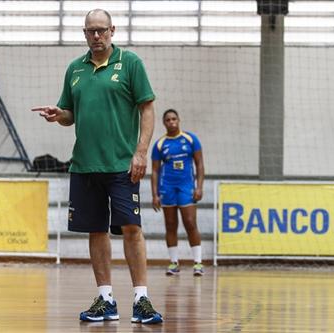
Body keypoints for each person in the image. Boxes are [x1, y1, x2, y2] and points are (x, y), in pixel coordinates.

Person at [31, 9, 163, 324]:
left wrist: (141, 152)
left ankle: (141, 299)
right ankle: (106, 300)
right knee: (96, 230)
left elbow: (147, 108)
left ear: (112, 30)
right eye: (90, 31)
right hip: (84, 165)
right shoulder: (74, 69)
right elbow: (69, 115)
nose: (96, 36)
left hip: (122, 165)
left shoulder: (130, 64)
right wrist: (57, 114)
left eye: (102, 30)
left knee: (132, 229)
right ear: (85, 33)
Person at [151, 109, 205, 276]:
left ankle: (198, 263)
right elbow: (154, 171)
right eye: (168, 120)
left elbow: (200, 164)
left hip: (186, 186)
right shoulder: (160, 144)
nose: (171, 122)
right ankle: (174, 263)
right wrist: (154, 194)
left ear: (179, 120)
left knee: (190, 222)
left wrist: (199, 186)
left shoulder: (190, 139)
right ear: (164, 123)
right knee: (170, 225)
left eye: (174, 119)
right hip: (167, 188)